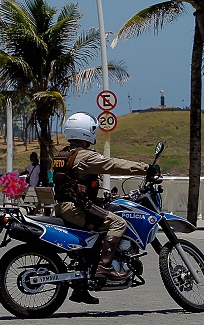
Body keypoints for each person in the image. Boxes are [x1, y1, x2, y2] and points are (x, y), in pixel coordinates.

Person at [53, 112, 150, 305]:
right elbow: (112, 164)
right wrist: (145, 168)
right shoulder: (85, 157)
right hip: (76, 209)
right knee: (118, 223)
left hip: (65, 205)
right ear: (86, 133)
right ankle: (104, 267)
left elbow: (76, 184)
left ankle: (81, 288)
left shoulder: (63, 154)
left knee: (95, 236)